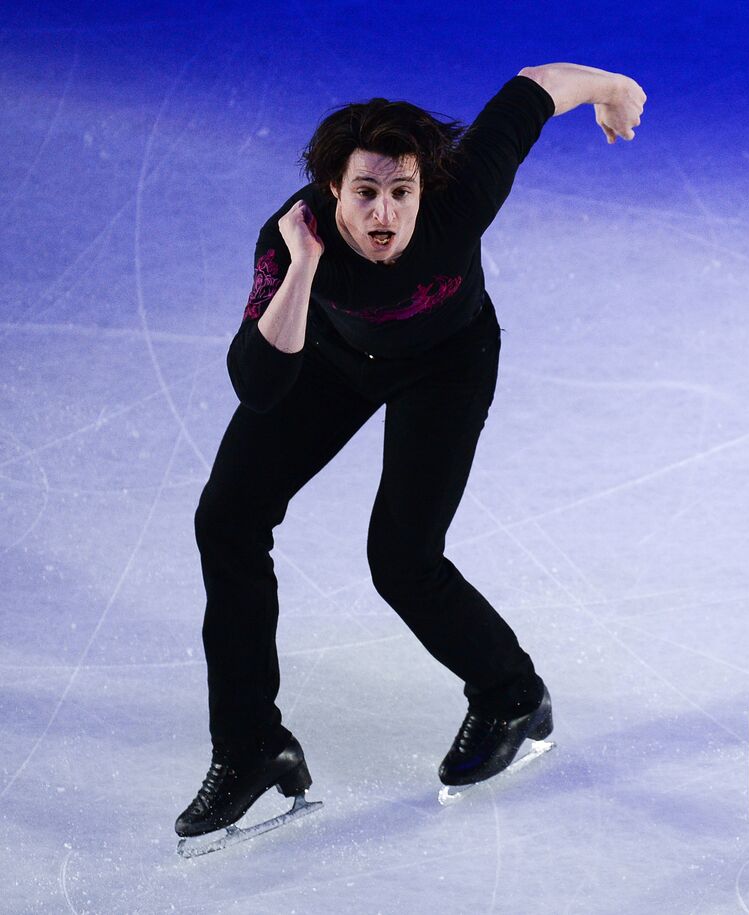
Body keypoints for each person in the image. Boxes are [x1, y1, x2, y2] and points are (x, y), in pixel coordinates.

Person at [176, 63, 646, 842]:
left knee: (401, 558)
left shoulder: (460, 198)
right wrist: (302, 269)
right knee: (226, 518)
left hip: (448, 362)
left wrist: (611, 87)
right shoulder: (293, 237)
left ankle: (510, 696)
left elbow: (531, 91)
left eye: (401, 191)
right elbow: (258, 386)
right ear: (332, 189)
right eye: (365, 192)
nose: (385, 212)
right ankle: (251, 743)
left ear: (426, 186)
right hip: (328, 356)